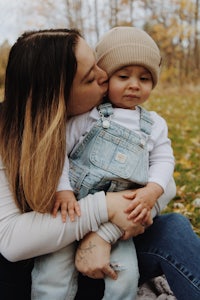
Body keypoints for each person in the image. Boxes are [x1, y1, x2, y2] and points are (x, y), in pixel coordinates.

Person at [0, 28, 199, 300]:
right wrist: (105, 206)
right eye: (91, 77)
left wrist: (104, 234)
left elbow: (166, 184)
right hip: (40, 269)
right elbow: (12, 241)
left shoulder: (120, 119)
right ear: (58, 96)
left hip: (105, 257)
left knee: (173, 228)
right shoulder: (10, 138)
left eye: (97, 63)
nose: (104, 74)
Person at [43, 26, 175, 300]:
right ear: (105, 77)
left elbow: (163, 159)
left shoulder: (154, 125)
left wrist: (153, 190)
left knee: (125, 275)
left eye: (145, 78)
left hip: (116, 219)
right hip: (72, 212)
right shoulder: (87, 118)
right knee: (52, 274)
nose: (134, 84)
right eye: (123, 76)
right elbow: (58, 155)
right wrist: (63, 189)